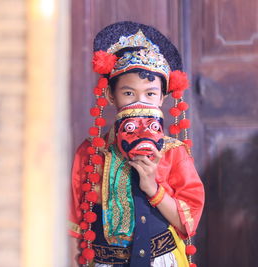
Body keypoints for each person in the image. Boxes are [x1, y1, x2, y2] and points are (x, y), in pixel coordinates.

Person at [69, 21, 205, 267]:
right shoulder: (91, 151)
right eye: (129, 93)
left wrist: (153, 188)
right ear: (111, 96)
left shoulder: (173, 152)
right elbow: (73, 221)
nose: (140, 102)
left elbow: (188, 219)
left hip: (160, 259)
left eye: (150, 94)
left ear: (162, 98)